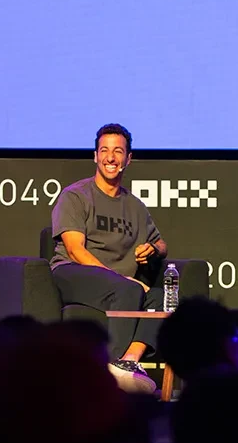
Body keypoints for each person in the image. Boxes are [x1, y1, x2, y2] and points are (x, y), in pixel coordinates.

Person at [49, 123, 166, 392]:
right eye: (104, 150)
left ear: (128, 158)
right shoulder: (76, 195)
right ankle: (103, 376)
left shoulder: (134, 205)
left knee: (158, 298)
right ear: (95, 156)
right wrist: (120, 279)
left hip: (119, 283)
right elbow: (76, 249)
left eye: (117, 151)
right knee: (129, 289)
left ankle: (128, 362)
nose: (110, 158)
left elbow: (160, 242)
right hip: (74, 271)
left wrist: (154, 249)